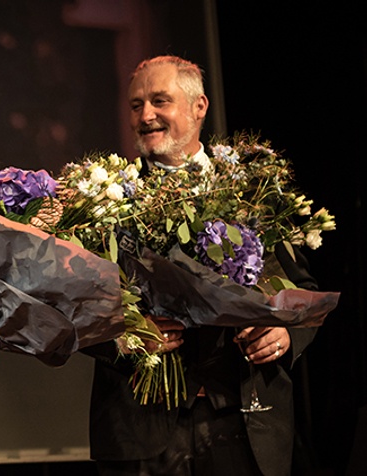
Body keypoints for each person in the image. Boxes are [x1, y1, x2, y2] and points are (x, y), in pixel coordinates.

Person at [84, 55, 318, 476]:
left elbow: (300, 287)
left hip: (245, 426)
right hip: (140, 433)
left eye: (160, 101)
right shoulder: (106, 200)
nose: (146, 115)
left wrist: (285, 332)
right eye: (136, 105)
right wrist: (128, 335)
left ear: (199, 107)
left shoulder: (254, 193)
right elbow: (76, 309)